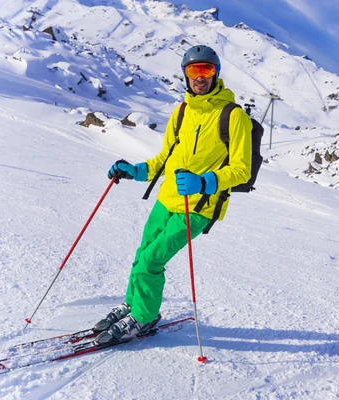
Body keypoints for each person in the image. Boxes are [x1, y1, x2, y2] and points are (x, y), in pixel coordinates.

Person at [95, 45, 253, 344]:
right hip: (166, 199)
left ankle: (142, 319)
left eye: (206, 70)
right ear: (185, 75)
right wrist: (134, 171)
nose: (200, 77)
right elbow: (165, 158)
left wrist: (204, 182)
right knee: (142, 255)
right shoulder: (181, 111)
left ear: (216, 73)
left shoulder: (233, 116)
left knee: (152, 261)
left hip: (198, 207)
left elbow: (241, 170)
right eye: (194, 70)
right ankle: (136, 305)